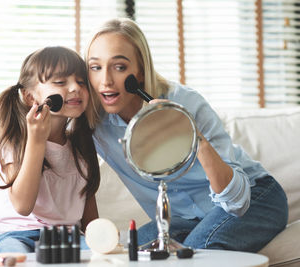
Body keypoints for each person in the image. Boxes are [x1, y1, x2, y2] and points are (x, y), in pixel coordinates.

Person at [84, 18, 288, 252]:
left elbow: (237, 202)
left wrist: (189, 131)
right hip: (182, 220)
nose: (106, 80)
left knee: (198, 251)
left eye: (119, 67)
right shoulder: (94, 124)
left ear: (139, 72)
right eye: (95, 67)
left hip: (255, 196)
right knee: (128, 251)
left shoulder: (186, 101)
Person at [0, 46, 100, 255]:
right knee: (15, 256)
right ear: (30, 97)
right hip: (14, 235)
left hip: (67, 238)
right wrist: (36, 140)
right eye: (61, 82)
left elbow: (91, 225)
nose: (75, 88)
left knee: (102, 254)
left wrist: (103, 244)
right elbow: (23, 206)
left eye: (81, 82)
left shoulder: (82, 150)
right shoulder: (15, 143)